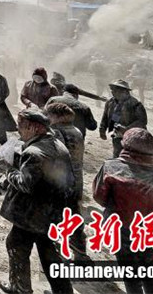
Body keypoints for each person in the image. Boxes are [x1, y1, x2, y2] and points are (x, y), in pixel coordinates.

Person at [0, 109, 74, 294]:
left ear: (34, 127)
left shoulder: (34, 152)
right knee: (48, 253)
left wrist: (7, 169)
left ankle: (20, 288)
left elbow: (25, 183)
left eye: (21, 125)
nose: (18, 129)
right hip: (53, 210)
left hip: (32, 213)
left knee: (16, 244)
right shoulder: (57, 144)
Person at [93, 128, 153, 294]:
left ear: (126, 146)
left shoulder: (111, 167)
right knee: (149, 274)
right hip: (152, 233)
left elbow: (99, 197)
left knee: (131, 277)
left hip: (122, 231)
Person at [47, 102, 88, 260]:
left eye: (49, 114)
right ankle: (80, 252)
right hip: (76, 180)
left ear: (56, 116)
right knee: (74, 215)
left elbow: (57, 157)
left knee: (56, 216)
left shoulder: (56, 132)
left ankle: (56, 253)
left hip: (61, 181)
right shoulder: (76, 130)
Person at [100, 79, 148, 158]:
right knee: (117, 153)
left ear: (125, 92)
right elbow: (105, 116)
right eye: (112, 90)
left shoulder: (135, 104)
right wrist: (102, 129)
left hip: (132, 136)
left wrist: (127, 129)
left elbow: (142, 121)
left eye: (116, 90)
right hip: (116, 134)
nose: (113, 92)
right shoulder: (110, 102)